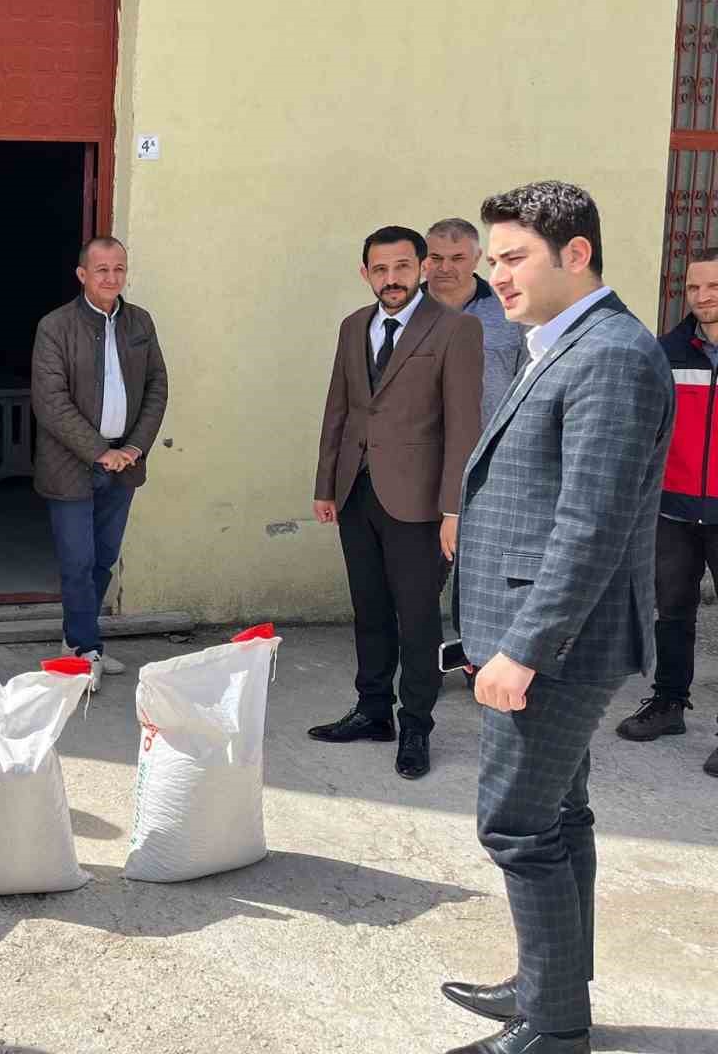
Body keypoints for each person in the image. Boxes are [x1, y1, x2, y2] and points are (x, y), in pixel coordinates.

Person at [441, 182, 673, 1054]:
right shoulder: (565, 340)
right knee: (560, 815)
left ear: (576, 254)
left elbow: (591, 525)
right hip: (542, 630)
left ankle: (553, 1028)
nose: (496, 275)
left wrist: (524, 649)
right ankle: (550, 987)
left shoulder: (610, 354)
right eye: (494, 258)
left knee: (516, 824)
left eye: (513, 258)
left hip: (559, 641)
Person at [311, 225, 482, 778]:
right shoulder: (353, 326)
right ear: (366, 273)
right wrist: (325, 486)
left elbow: (464, 427)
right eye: (380, 269)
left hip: (420, 501)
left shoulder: (456, 329)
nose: (392, 278)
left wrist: (454, 509)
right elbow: (338, 409)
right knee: (370, 608)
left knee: (417, 617)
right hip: (356, 491)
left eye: (402, 267)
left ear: (423, 268)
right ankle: (372, 710)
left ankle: (416, 724)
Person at [30, 235, 168, 692]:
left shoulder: (140, 322)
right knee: (78, 559)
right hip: (72, 463)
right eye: (102, 269)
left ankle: (78, 638)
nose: (111, 277)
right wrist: (99, 450)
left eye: (119, 268)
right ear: (82, 274)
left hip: (124, 462)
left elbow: (157, 387)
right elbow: (50, 401)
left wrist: (135, 447)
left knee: (104, 557)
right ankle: (86, 648)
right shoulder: (56, 326)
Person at [609, 246, 718, 775]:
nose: (701, 296)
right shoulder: (666, 351)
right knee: (671, 610)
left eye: (713, 286)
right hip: (672, 509)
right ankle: (669, 702)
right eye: (694, 287)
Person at [425, 217, 527, 426]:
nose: (445, 268)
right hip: (420, 444)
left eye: (457, 258)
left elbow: (529, 382)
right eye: (435, 258)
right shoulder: (404, 311)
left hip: (491, 441)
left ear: (477, 257)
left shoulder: (511, 308)